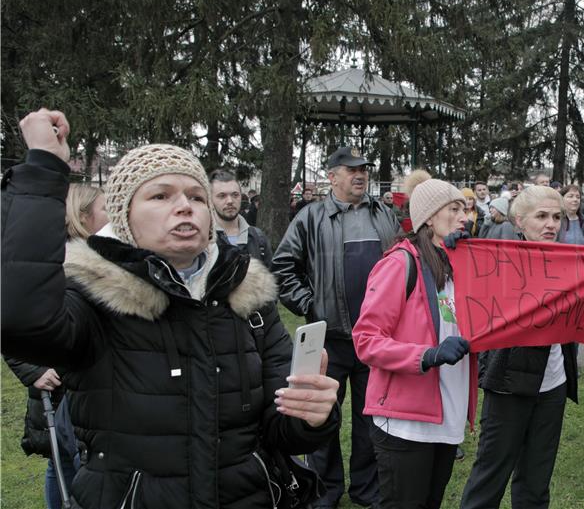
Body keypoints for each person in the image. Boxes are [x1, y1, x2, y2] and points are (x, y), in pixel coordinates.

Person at [1, 108, 340, 509]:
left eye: (196, 196)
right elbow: (19, 319)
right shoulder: (93, 296)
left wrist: (312, 416)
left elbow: (280, 431)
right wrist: (43, 169)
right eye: (160, 195)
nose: (185, 206)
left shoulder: (249, 296)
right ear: (125, 216)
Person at [272, 146, 398, 509]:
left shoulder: (385, 215)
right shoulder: (310, 217)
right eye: (351, 170)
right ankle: (325, 491)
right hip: (329, 339)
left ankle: (365, 488)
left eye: (364, 170)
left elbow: (403, 260)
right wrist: (310, 305)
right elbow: (283, 266)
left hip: (375, 339)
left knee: (369, 417)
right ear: (332, 177)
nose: (360, 175)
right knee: (321, 416)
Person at [353, 170, 476, 509]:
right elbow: (366, 340)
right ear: (428, 217)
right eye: (454, 209)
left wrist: (466, 260)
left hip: (446, 418)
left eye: (466, 209)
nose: (464, 217)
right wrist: (427, 355)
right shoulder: (399, 264)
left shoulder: (459, 265)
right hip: (406, 424)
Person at [461, 186, 578, 509]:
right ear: (519, 221)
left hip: (554, 383)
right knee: (491, 474)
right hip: (509, 383)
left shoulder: (571, 262)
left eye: (556, 217)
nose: (551, 224)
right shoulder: (498, 261)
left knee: (536, 479)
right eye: (541, 217)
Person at [4, 182, 108, 509]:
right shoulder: (49, 257)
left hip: (91, 378)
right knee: (62, 459)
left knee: (83, 456)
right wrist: (31, 369)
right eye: (104, 209)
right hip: (56, 380)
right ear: (82, 215)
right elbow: (14, 316)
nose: (112, 215)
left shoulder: (103, 253)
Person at [209, 169, 273, 267]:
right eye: (222, 196)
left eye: (235, 195)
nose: (230, 201)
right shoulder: (203, 239)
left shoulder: (258, 237)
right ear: (210, 200)